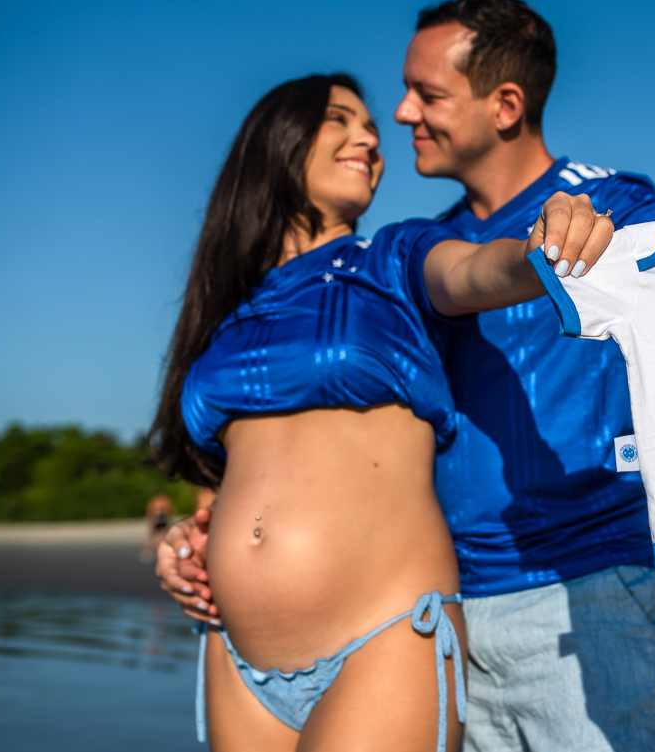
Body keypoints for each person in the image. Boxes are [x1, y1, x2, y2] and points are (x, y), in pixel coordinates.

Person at [159, 0, 655, 751]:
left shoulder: (610, 211)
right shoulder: (408, 253)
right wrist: (205, 533)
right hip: (456, 602)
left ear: (504, 106)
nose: (402, 116)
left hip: (581, 593)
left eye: (424, 96)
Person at [149, 71, 612, 751]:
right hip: (234, 654)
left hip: (385, 636)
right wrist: (183, 548)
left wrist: (540, 246)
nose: (369, 136)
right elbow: (230, 480)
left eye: (369, 126)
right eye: (339, 119)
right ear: (275, 144)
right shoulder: (225, 316)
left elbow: (473, 271)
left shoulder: (394, 257)